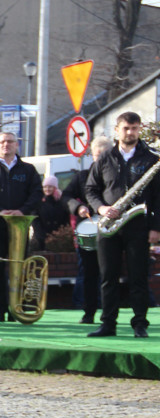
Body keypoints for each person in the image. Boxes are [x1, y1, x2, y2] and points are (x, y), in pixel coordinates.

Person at [86, 112, 160, 338]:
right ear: (117, 130)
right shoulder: (105, 158)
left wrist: (156, 228)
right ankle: (108, 324)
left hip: (138, 225)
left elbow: (158, 196)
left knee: (138, 276)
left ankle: (140, 324)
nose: (130, 132)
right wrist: (101, 208)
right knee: (108, 276)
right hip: (109, 225)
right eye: (126, 128)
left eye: (135, 128)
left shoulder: (151, 159)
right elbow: (90, 189)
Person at [0, 132, 42, 323]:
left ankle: (16, 307)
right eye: (2, 142)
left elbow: (36, 193)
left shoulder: (28, 170)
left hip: (20, 226)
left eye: (10, 142)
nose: (6, 145)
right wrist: (0, 211)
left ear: (16, 145)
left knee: (19, 267)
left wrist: (22, 211)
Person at [64, 136, 111, 324]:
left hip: (111, 230)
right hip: (90, 231)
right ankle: (89, 312)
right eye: (97, 155)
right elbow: (66, 195)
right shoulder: (82, 176)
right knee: (89, 273)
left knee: (109, 273)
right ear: (92, 155)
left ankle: (108, 314)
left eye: (104, 155)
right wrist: (78, 207)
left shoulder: (115, 176)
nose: (100, 159)